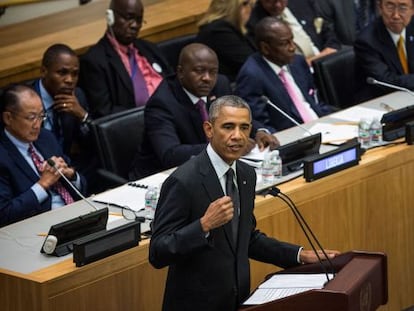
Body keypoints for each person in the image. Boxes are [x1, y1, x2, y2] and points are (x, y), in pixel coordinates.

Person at [149, 95, 340, 311]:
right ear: (209, 129)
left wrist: (298, 255)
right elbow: (157, 253)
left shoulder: (246, 174)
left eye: (244, 128)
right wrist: (203, 225)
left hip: (237, 301)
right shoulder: (183, 181)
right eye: (228, 127)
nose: (237, 136)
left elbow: (246, 239)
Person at [129, 43, 278, 179]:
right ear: (180, 72)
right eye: (199, 71)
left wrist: (258, 131)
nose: (207, 78)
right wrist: (224, 145)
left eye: (213, 72)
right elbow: (170, 154)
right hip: (163, 181)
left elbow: (239, 117)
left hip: (211, 171)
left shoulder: (220, 84)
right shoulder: (162, 103)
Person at [0, 85, 87, 227]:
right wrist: (43, 185)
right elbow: (4, 214)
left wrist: (70, 175)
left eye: (41, 116)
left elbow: (82, 185)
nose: (37, 125)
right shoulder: (3, 157)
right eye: (31, 117)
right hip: (39, 227)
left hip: (76, 214)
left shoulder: (45, 138)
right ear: (8, 118)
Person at [236, 17, 332, 133]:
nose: (292, 47)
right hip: (293, 137)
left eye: (292, 40)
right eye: (284, 43)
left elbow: (315, 101)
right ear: (265, 48)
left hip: (322, 127)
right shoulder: (252, 75)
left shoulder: (298, 62)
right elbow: (258, 124)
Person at [78, 0, 172, 118]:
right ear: (110, 17)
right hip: (138, 126)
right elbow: (104, 111)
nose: (134, 25)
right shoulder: (95, 61)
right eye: (128, 18)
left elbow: (174, 83)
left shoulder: (150, 48)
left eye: (139, 20)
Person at [31, 44, 96, 187]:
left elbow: (94, 144)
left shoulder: (77, 95)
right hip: (34, 172)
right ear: (43, 71)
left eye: (75, 74)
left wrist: (82, 115)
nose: (69, 80)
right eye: (62, 73)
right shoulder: (27, 101)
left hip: (67, 170)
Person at [246, 0, 340, 65]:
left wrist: (330, 49)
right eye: (270, 1)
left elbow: (328, 32)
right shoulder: (254, 23)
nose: (278, 5)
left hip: (327, 59)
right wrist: (313, 62)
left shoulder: (301, 2)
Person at [354, 0, 414, 101]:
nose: (396, 15)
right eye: (390, 7)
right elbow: (386, 81)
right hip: (381, 101)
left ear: (412, 10)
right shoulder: (366, 41)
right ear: (380, 8)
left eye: (403, 8)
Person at [196, 0, 257, 82]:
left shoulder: (240, 26)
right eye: (247, 4)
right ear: (234, 8)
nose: (250, 8)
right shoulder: (218, 31)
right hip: (231, 87)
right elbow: (251, 63)